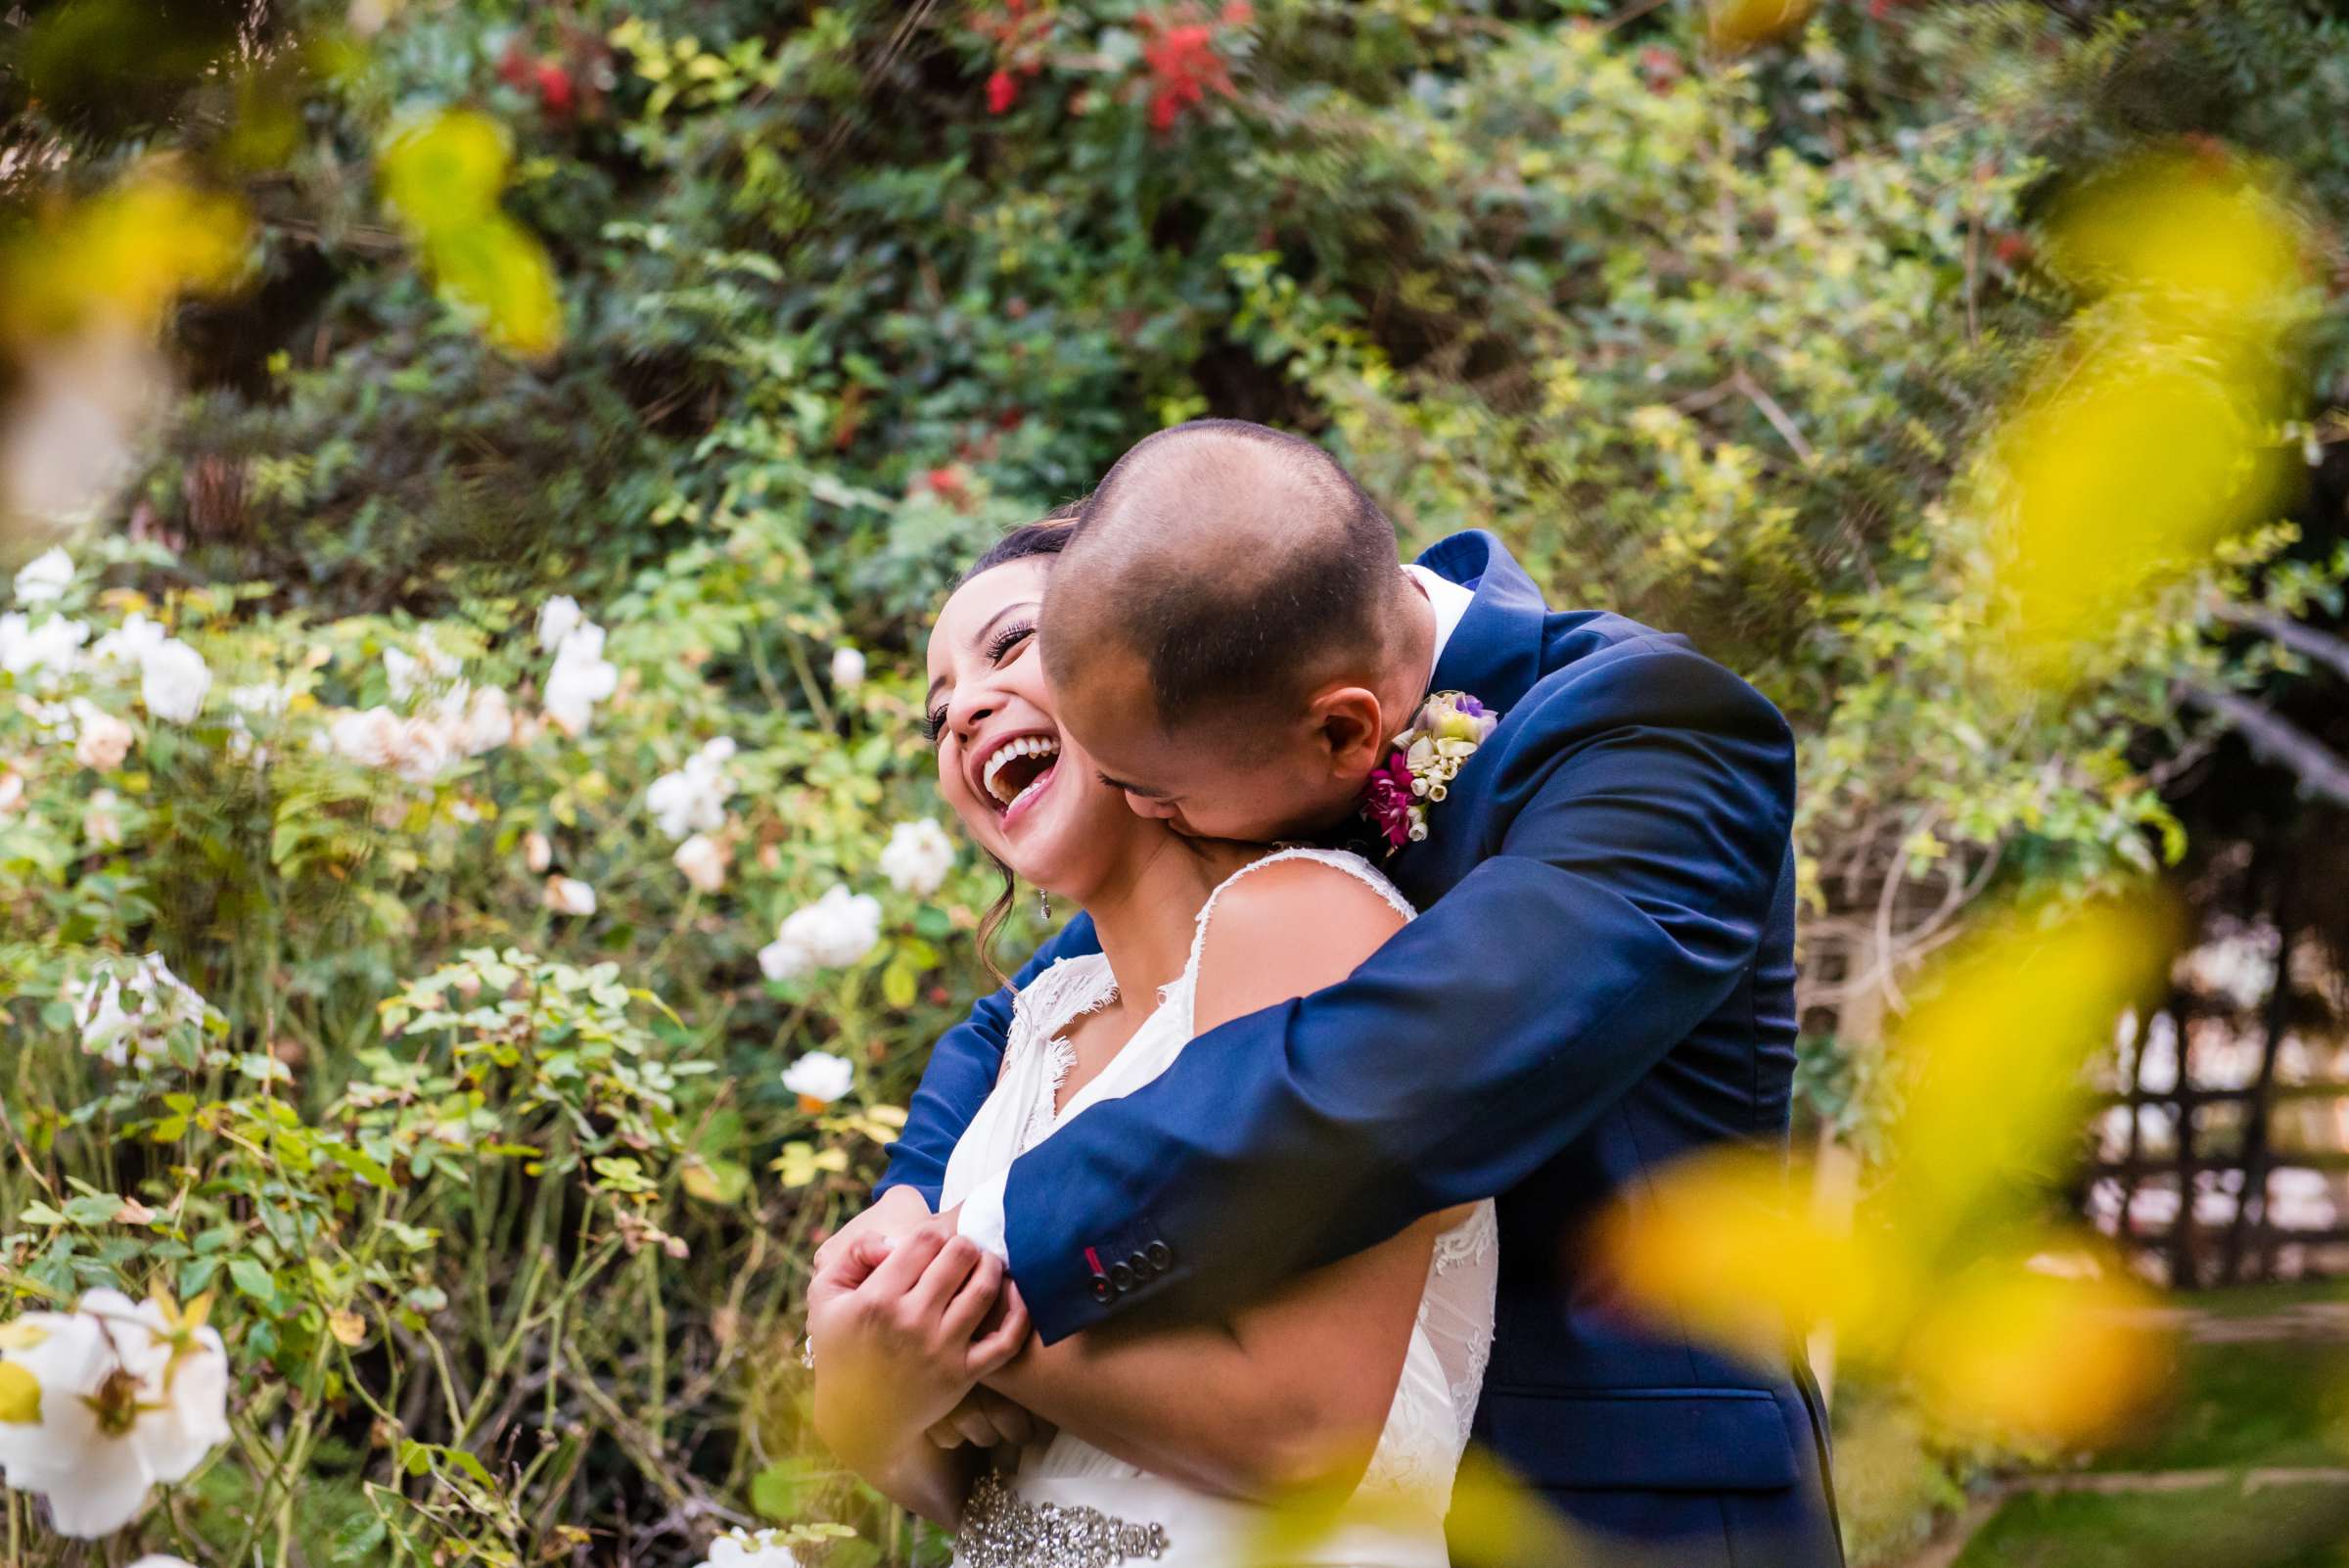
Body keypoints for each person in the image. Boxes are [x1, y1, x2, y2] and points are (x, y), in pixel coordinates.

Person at [829, 419, 1841, 1567]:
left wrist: (985, 1269)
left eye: (1153, 792)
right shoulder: (1217, 731)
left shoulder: (1655, 737)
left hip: (1618, 1511)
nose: (1153, 812)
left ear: (1347, 730)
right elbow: (1032, 1013)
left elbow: (1392, 1073)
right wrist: (901, 1222)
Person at [806, 518, 1497, 1566]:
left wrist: (958, 1341)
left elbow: (1305, 1435)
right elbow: (997, 1492)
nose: (963, 715)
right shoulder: (1046, 1023)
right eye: (939, 716)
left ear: (1155, 661)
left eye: (1010, 647)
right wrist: (870, 1403)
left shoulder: (1303, 921)